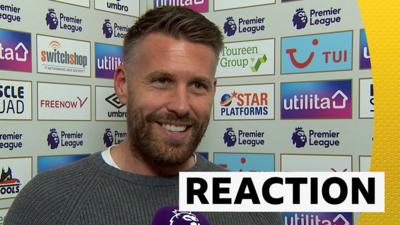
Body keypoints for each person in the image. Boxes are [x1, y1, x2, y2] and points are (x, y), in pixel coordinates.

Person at [5, 6, 284, 225]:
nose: (181, 105)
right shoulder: (47, 202)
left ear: (213, 91)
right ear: (123, 84)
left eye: (198, 86)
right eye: (162, 81)